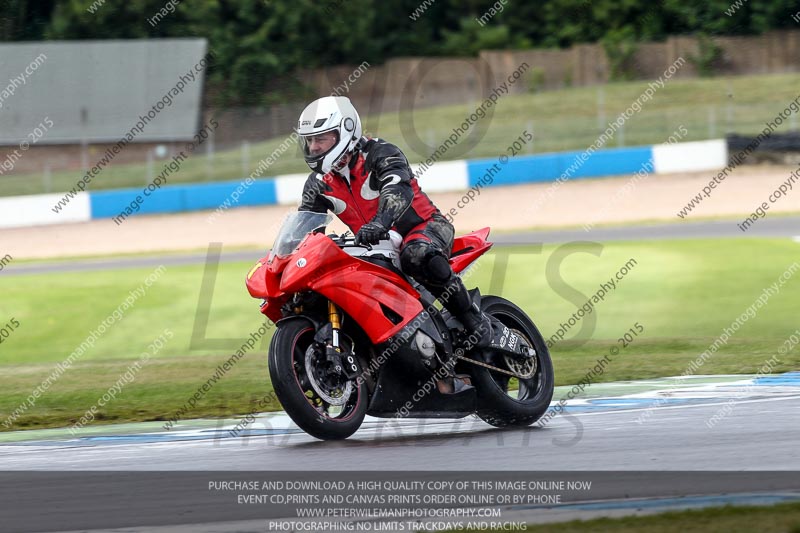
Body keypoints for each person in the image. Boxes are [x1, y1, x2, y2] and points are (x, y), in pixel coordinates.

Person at [296, 96, 493, 348]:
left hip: (425, 228)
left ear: (345, 131)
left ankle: (475, 321)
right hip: (375, 248)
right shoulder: (318, 184)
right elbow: (308, 227)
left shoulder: (380, 153)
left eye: (320, 138)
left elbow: (398, 189)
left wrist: (381, 222)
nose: (313, 147)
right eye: (309, 140)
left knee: (416, 255)